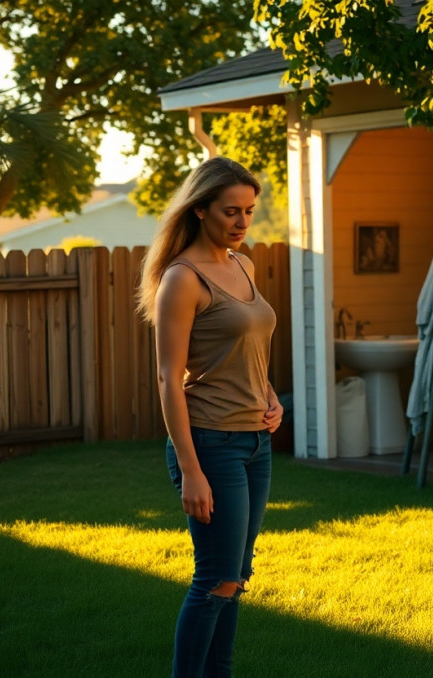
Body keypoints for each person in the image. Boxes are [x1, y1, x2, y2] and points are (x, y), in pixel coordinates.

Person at [136, 156, 283, 678]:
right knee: (215, 579)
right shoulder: (183, 278)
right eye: (230, 211)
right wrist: (191, 469)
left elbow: (246, 349)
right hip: (210, 444)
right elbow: (167, 378)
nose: (242, 222)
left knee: (236, 578)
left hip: (255, 443)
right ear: (200, 210)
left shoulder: (243, 265)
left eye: (249, 211)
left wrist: (270, 395)